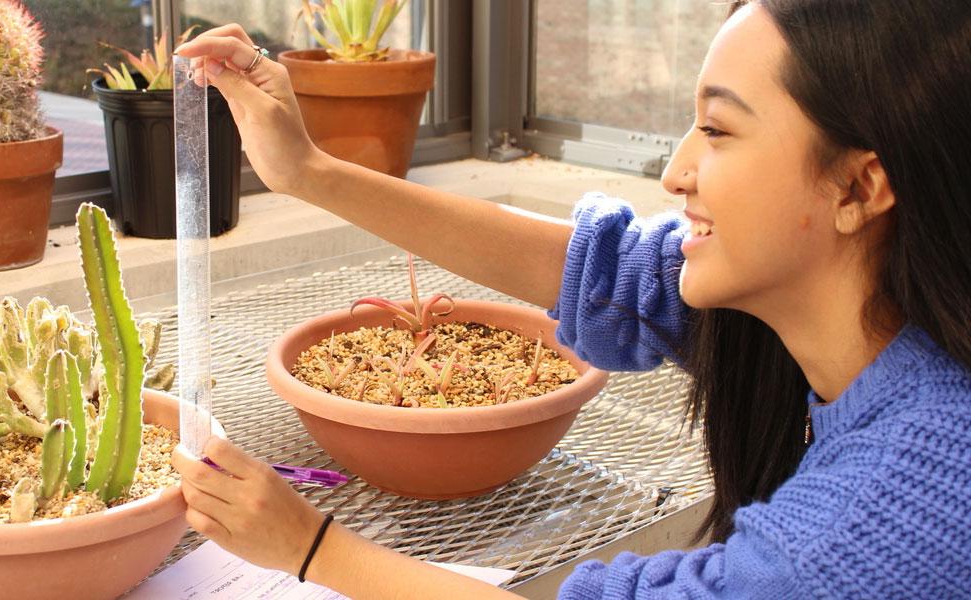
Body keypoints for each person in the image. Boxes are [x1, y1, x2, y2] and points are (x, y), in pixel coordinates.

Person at [171, 0, 971, 597]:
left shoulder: (892, 511)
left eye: (719, 132)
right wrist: (307, 171)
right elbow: (603, 267)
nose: (676, 172)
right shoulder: (832, 317)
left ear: (859, 187)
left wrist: (312, 548)